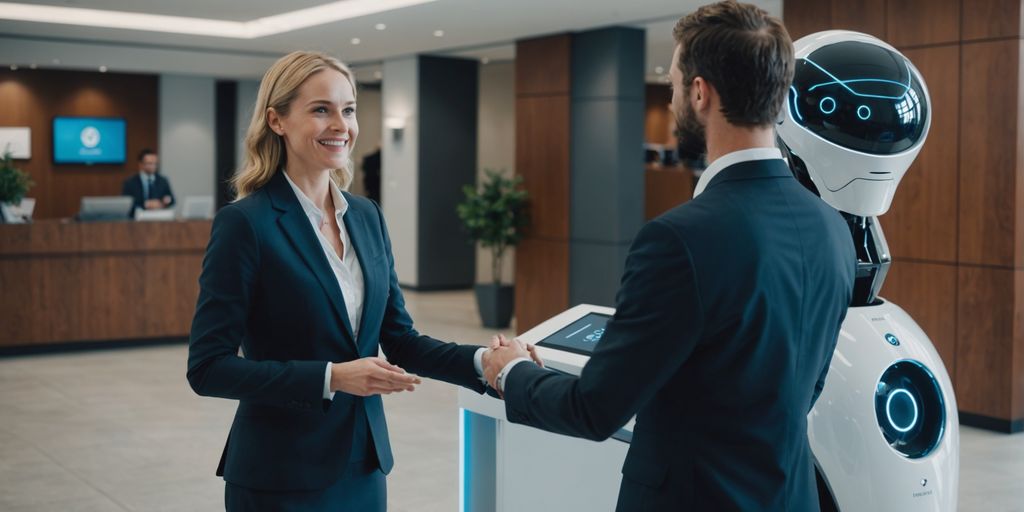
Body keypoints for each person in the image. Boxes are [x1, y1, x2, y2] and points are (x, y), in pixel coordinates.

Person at [483, 2, 857, 510]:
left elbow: (594, 409)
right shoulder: (832, 227)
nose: (675, 94)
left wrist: (510, 371)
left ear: (700, 94)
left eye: (676, 82)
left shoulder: (678, 240)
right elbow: (802, 391)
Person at [186, 51, 517, 511]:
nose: (340, 124)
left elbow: (401, 341)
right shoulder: (246, 224)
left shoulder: (365, 216)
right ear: (276, 120)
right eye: (321, 109)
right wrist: (332, 377)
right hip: (281, 475)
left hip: (363, 467)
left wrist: (486, 362)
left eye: (348, 109)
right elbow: (208, 368)